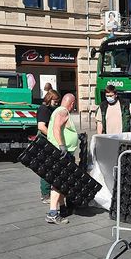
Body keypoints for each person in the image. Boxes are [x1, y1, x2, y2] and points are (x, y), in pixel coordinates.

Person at [46, 93, 78, 224]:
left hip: (60, 151)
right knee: (58, 183)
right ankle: (52, 214)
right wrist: (62, 146)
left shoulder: (58, 110)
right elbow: (56, 128)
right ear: (72, 103)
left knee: (61, 183)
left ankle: (62, 208)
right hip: (61, 152)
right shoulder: (63, 111)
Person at [37, 90, 61, 203]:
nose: (56, 103)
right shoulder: (43, 109)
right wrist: (53, 137)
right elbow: (41, 126)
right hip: (45, 140)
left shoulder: (51, 109)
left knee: (50, 168)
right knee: (46, 168)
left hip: (49, 140)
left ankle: (49, 193)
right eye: (55, 101)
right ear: (49, 99)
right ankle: (45, 194)